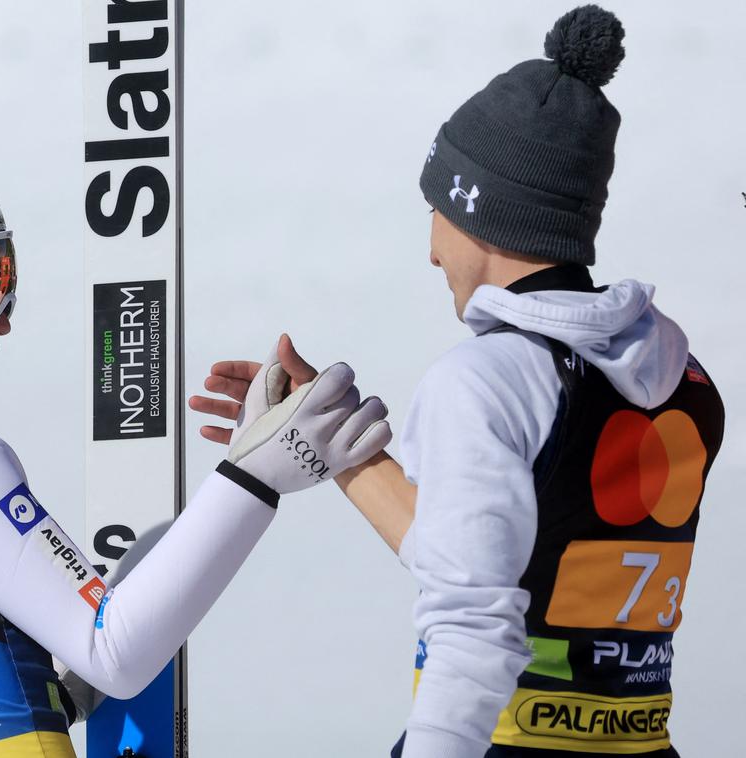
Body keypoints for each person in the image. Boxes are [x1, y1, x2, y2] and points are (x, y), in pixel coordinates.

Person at [192, 7, 724, 757]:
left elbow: (475, 627)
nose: (431, 250)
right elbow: (486, 557)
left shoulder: (484, 379)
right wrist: (337, 439)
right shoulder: (683, 379)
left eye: (436, 209)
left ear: (484, 213)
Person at [0, 149, 391, 758]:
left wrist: (60, 690)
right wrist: (258, 475)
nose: (2, 320)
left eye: (3, 277)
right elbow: (113, 654)